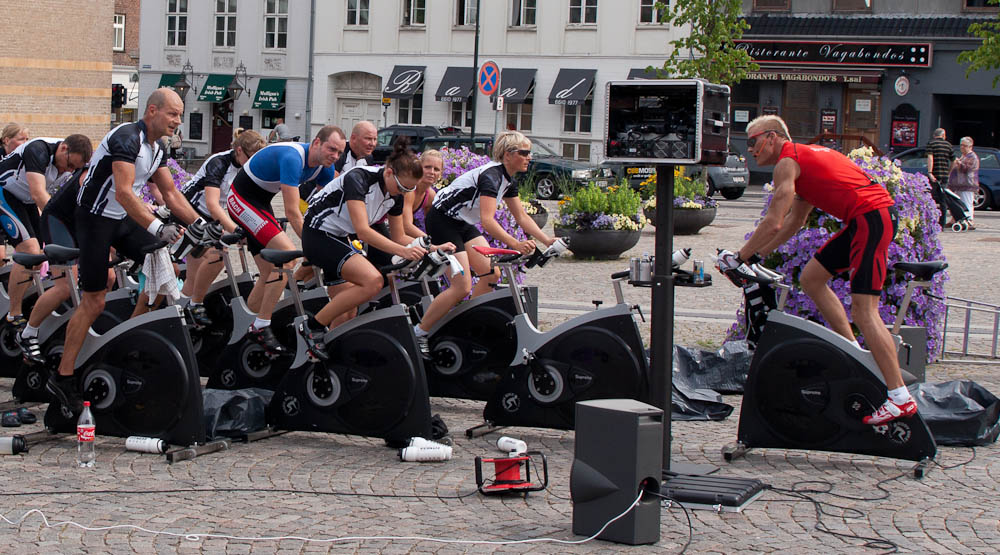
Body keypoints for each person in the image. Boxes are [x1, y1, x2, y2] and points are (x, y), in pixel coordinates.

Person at [719, 114, 914, 426]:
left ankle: (900, 397)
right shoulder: (801, 159)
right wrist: (757, 257)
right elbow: (794, 221)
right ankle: (853, 350)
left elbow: (774, 220)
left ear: (772, 137)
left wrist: (739, 257)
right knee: (812, 279)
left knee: (865, 311)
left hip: (871, 218)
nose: (750, 150)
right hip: (867, 218)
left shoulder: (787, 162)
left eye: (753, 141)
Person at [47, 88, 205, 414]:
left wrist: (202, 224)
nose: (178, 120)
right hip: (94, 221)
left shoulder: (157, 147)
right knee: (95, 300)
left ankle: (127, 341)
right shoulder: (127, 137)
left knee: (168, 270)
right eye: (173, 113)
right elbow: (123, 192)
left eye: (180, 114)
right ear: (152, 111)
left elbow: (171, 193)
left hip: (121, 219)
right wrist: (157, 227)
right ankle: (62, 376)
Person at [300, 140, 453, 357]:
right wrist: (403, 252)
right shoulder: (359, 178)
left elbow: (399, 236)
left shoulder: (397, 193)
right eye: (402, 187)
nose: (404, 193)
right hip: (317, 234)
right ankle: (312, 327)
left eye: (409, 189)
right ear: (389, 172)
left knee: (347, 311)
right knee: (373, 281)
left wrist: (432, 247)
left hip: (339, 236)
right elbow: (363, 232)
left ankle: (326, 355)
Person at [412, 131, 556, 354]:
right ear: (507, 155)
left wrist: (547, 240)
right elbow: (487, 221)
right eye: (524, 152)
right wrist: (515, 244)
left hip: (462, 222)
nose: (529, 157)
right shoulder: (491, 176)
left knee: (491, 275)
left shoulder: (507, 179)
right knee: (462, 286)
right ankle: (419, 332)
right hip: (442, 221)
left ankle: (463, 325)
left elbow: (521, 216)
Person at [226, 125, 346, 353]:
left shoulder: (326, 168)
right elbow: (292, 211)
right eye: (331, 149)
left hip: (261, 202)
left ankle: (244, 326)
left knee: (268, 272)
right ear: (317, 143)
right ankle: (260, 326)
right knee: (287, 259)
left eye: (340, 152)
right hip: (241, 199)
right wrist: (316, 247)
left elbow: (322, 211)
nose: (335, 156)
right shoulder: (293, 158)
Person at [0, 134, 92, 332]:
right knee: (30, 250)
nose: (68, 171)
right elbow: (39, 194)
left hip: (25, 200)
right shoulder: (38, 150)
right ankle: (13, 314)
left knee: (40, 255)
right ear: (64, 148)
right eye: (69, 165)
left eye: (74, 169)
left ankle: (25, 297)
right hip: (5, 193)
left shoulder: (74, 162)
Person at [179, 129, 266, 325]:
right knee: (216, 256)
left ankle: (185, 307)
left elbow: (245, 201)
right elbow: (212, 204)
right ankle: (193, 306)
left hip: (209, 217)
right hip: (189, 212)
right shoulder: (218, 163)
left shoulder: (245, 167)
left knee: (197, 274)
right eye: (251, 158)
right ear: (239, 150)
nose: (253, 164)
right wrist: (236, 230)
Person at [0, 122, 29, 260]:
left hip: (12, 208)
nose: (25, 143)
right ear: (6, 140)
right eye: (21, 139)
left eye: (27, 139)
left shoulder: (23, 159)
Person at [401, 149, 443, 238]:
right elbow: (406, 226)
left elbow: (431, 225)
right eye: (427, 167)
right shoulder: (410, 189)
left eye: (436, 169)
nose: (431, 172)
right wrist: (429, 241)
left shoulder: (431, 195)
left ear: (440, 173)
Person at [948, 136, 979, 229]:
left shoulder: (972, 156)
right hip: (958, 185)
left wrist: (958, 163)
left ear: (970, 146)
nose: (962, 147)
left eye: (964, 146)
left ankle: (969, 221)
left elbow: (967, 168)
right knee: (957, 203)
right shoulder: (963, 156)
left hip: (967, 185)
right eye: (961, 145)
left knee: (967, 203)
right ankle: (955, 219)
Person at [926, 127, 954, 226]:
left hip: (935, 174)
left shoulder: (931, 144)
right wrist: (949, 172)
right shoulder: (948, 145)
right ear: (943, 135)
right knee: (943, 200)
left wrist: (930, 172)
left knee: (930, 198)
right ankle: (942, 223)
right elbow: (954, 160)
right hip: (944, 175)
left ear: (934, 135)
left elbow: (930, 157)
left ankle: (930, 221)